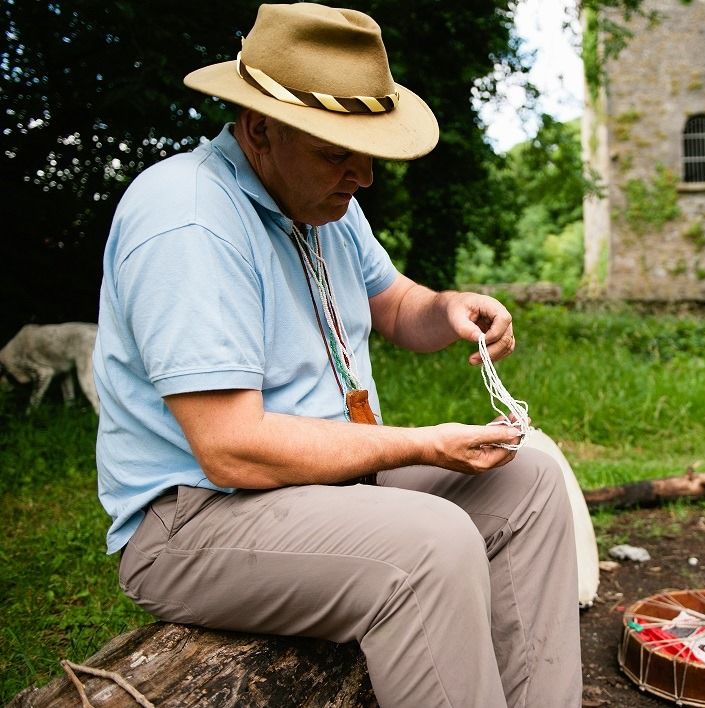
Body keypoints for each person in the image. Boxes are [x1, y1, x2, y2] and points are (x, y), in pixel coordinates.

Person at [92, 4, 581, 707]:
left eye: (366, 150)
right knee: (431, 547)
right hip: (193, 521)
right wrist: (421, 445)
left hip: (322, 490)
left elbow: (394, 305)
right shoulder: (189, 219)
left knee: (528, 485)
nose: (363, 176)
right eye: (335, 150)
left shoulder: (325, 201)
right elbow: (232, 450)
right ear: (259, 127)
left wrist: (445, 308)